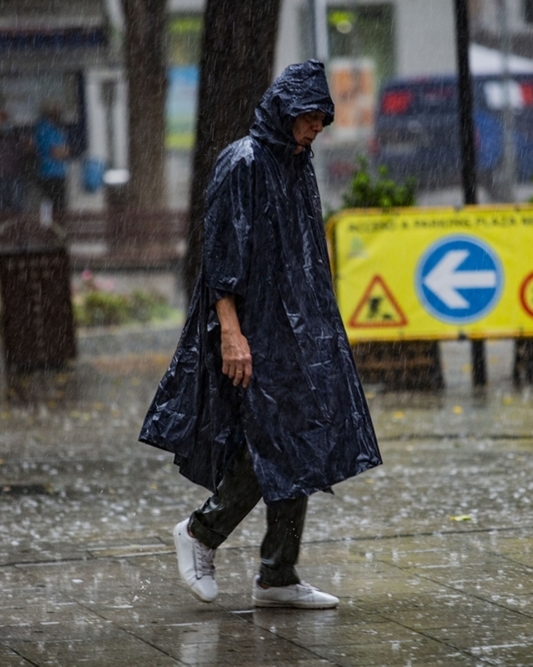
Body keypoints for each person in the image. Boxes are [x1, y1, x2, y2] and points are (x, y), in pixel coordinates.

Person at [140, 61, 381, 610]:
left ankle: (278, 573)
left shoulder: (297, 162)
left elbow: (300, 251)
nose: (318, 126)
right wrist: (231, 332)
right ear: (285, 111)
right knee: (273, 441)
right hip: (253, 327)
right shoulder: (242, 163)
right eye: (310, 116)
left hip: (295, 327)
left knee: (297, 437)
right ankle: (202, 533)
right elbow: (222, 253)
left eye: (323, 117)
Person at [33, 101, 69, 220]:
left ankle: (59, 230)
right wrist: (64, 151)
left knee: (60, 206)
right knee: (50, 206)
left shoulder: (57, 128)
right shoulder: (43, 128)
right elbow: (56, 152)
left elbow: (64, 150)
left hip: (59, 173)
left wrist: (64, 151)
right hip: (49, 174)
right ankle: (50, 230)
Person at [0, 110, 27, 211]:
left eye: (5, 119)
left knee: (16, 209)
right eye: (0, 119)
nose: (3, 122)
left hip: (15, 176)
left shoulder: (16, 134)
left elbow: (26, 148)